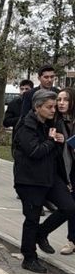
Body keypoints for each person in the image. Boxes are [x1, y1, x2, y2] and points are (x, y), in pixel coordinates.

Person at [13, 90, 75, 273]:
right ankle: (29, 257)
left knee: (69, 207)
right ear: (37, 107)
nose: (53, 110)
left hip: (50, 177)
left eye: (54, 107)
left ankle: (42, 233)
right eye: (49, 107)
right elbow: (35, 152)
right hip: (30, 180)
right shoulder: (26, 125)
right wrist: (51, 141)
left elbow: (55, 156)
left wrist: (60, 142)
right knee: (32, 218)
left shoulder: (52, 124)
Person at [55, 88, 75, 255]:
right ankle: (71, 240)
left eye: (65, 100)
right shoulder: (55, 120)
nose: (61, 103)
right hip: (64, 169)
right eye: (59, 99)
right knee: (71, 205)